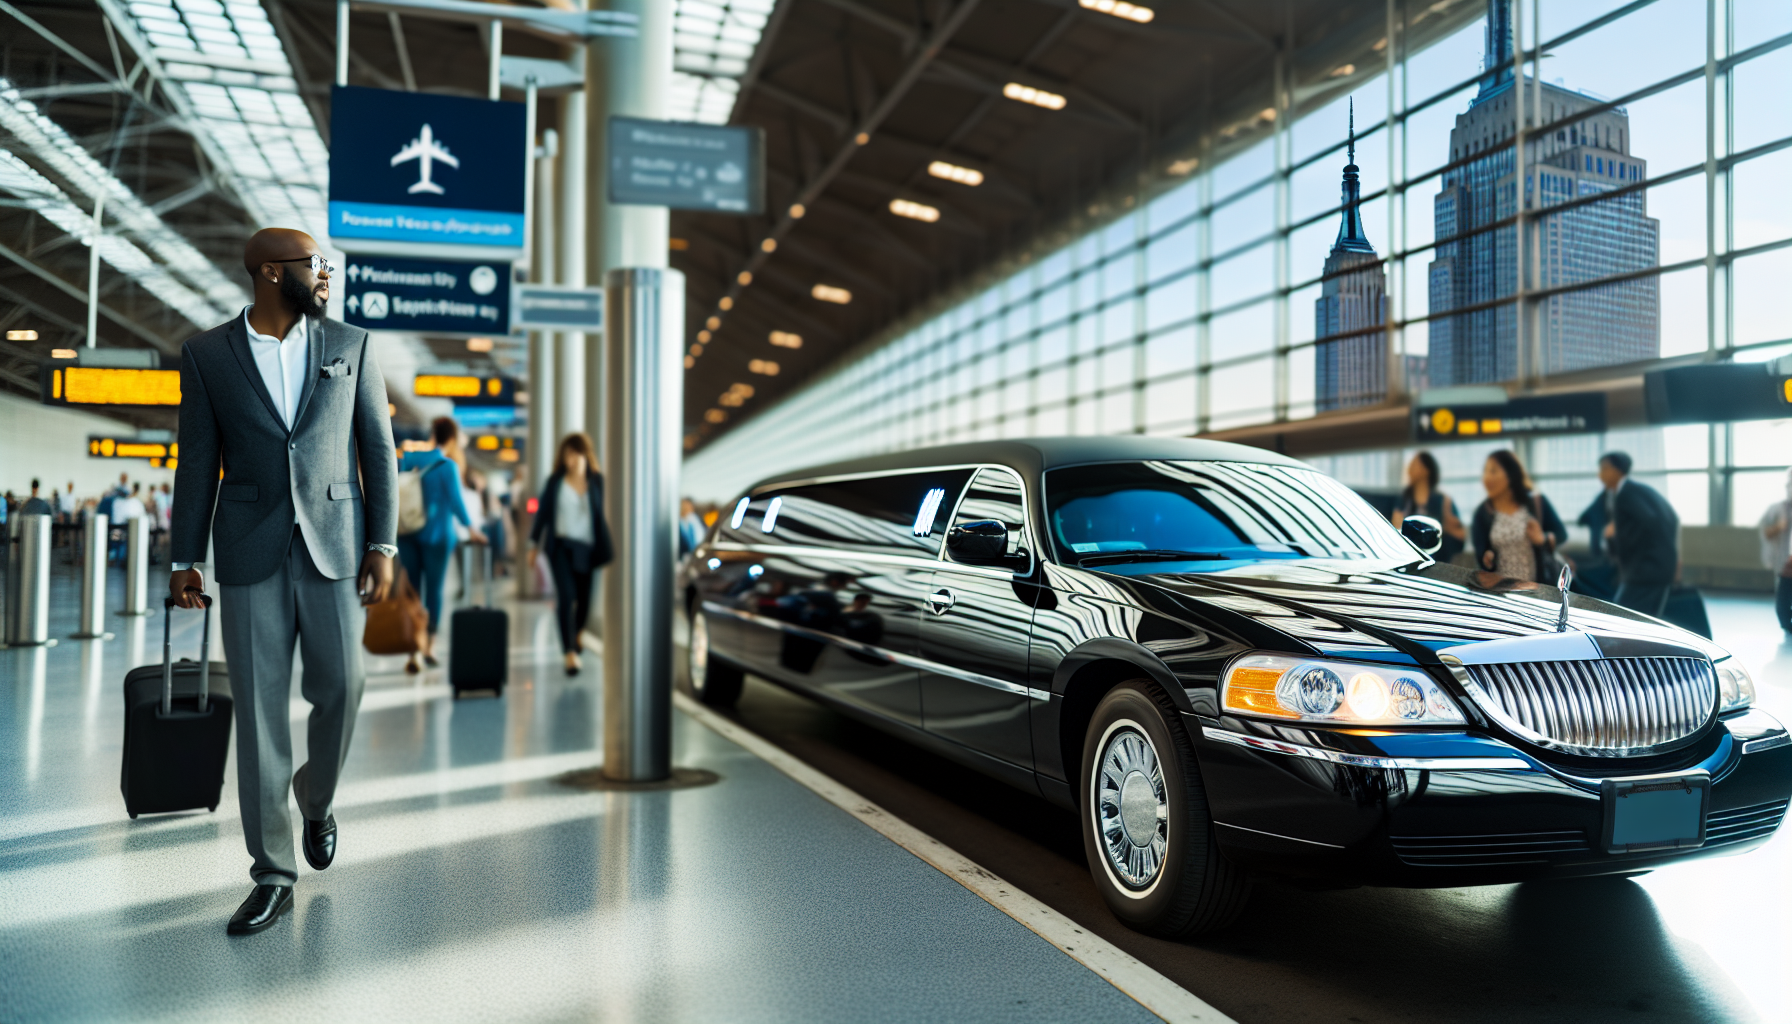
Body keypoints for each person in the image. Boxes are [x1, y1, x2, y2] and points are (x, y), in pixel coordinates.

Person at [168, 227, 397, 936]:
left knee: (345, 685)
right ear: (271, 273)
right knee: (261, 713)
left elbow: (377, 449)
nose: (323, 274)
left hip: (334, 545)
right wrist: (185, 558)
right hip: (245, 551)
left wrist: (383, 543)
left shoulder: (350, 345)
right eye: (312, 265)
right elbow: (198, 461)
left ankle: (316, 799)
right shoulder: (207, 356)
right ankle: (271, 873)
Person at [397, 417, 484, 674]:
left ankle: (413, 649)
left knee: (413, 590)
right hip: (438, 536)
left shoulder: (411, 459)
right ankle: (429, 646)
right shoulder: (448, 466)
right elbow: (457, 503)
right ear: (453, 439)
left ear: (433, 433)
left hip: (408, 533)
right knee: (434, 591)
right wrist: (472, 530)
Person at [529, 432, 613, 676]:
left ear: (586, 455)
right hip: (561, 548)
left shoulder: (597, 482)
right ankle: (569, 653)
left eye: (576, 454)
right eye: (568, 455)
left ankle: (576, 633)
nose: (572, 460)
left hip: (587, 549)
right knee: (566, 597)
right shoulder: (555, 482)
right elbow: (543, 514)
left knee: (585, 601)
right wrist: (533, 545)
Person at [1599, 451, 1679, 616]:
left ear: (1617, 470)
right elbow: (1671, 517)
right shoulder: (1639, 490)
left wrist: (1615, 534)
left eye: (1604, 468)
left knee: (1622, 616)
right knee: (1648, 618)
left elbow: (1650, 521)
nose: (1600, 474)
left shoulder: (1626, 494)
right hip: (1658, 567)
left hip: (1645, 571)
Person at [1470, 449, 1567, 583]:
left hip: (1538, 590)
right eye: (1485, 471)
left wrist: (1542, 539)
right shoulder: (1482, 513)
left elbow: (1561, 534)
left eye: (1493, 471)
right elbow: (1481, 552)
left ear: (1510, 475)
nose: (1486, 478)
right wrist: (1487, 557)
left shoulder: (1536, 502)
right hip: (1502, 592)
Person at [1390, 452, 1465, 562]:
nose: (1409, 468)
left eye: (1414, 464)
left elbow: (1459, 537)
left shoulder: (1442, 501)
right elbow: (1395, 528)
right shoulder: (1404, 499)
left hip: (1437, 560)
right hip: (1407, 559)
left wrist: (1449, 525)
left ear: (1426, 470)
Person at [1759, 469, 1792, 634]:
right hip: (1785, 566)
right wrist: (1780, 526)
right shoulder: (1778, 509)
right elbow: (1765, 532)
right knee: (1784, 612)